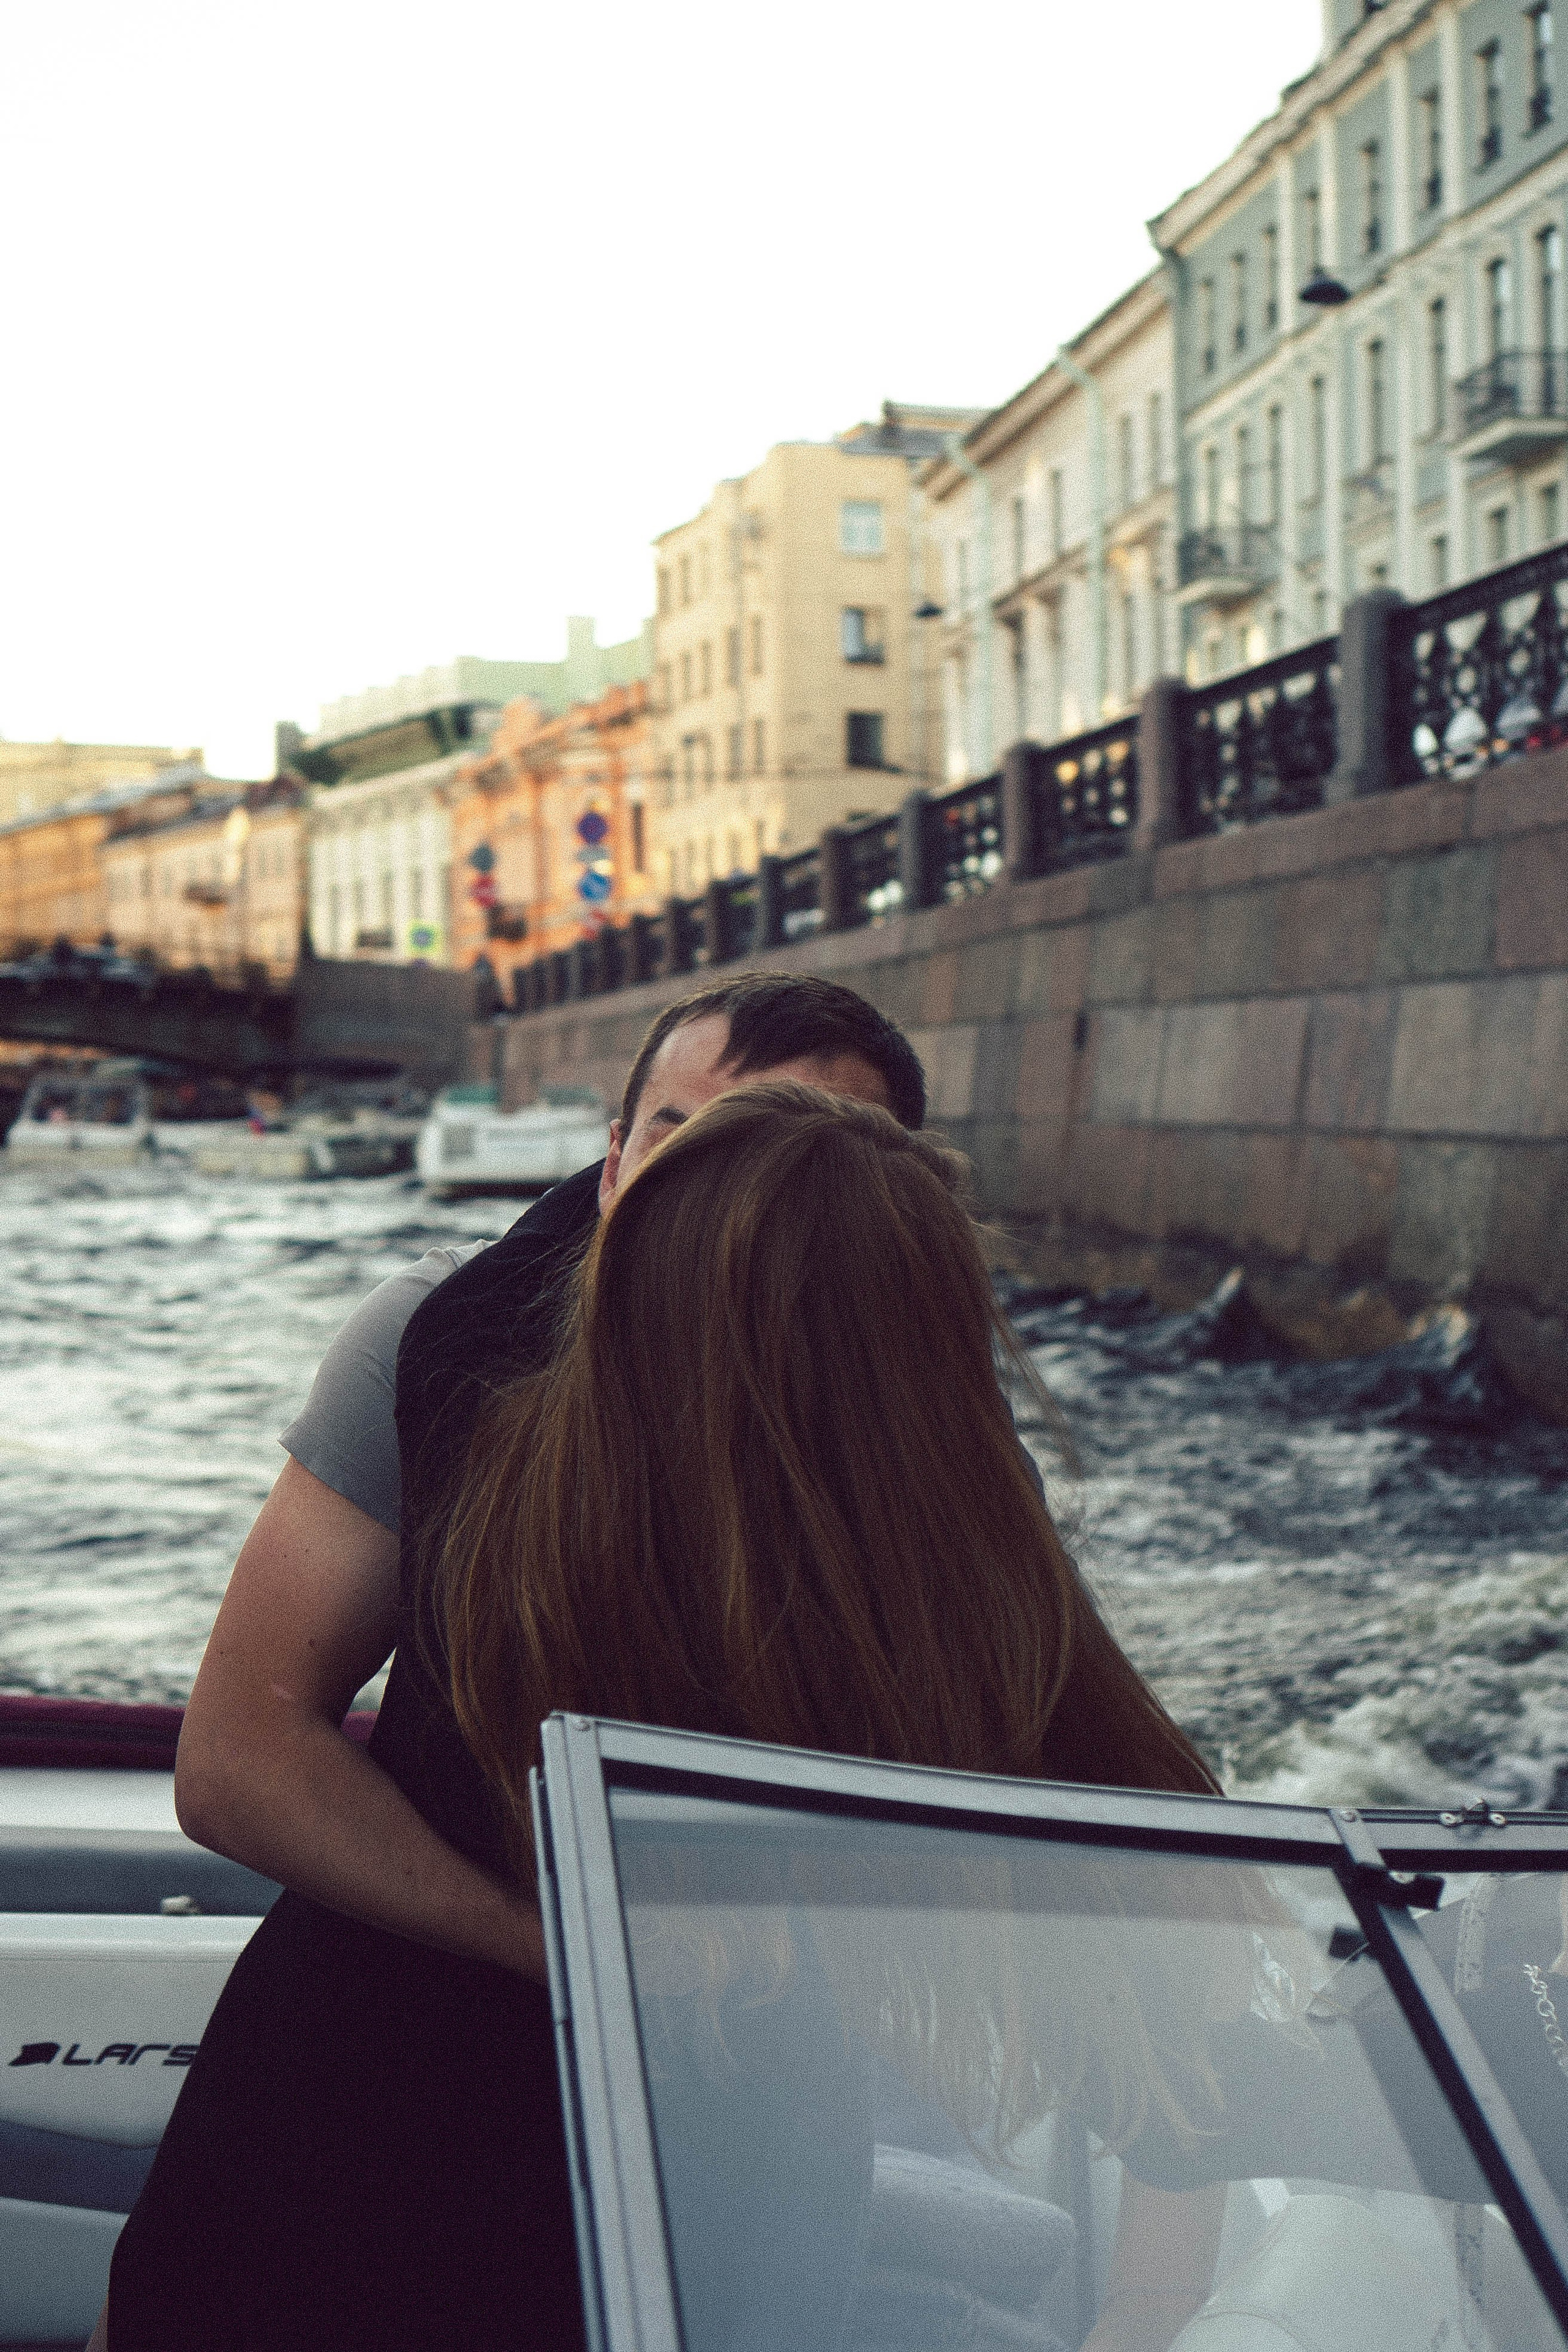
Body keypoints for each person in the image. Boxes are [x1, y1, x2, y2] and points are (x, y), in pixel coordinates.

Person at [105, 1068, 1220, 2352]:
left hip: (702, 2166)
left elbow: (1163, 1950)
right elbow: (233, 1763)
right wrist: (583, 1953)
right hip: (363, 2101)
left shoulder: (955, 1545)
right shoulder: (470, 1409)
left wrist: (1146, 2315)